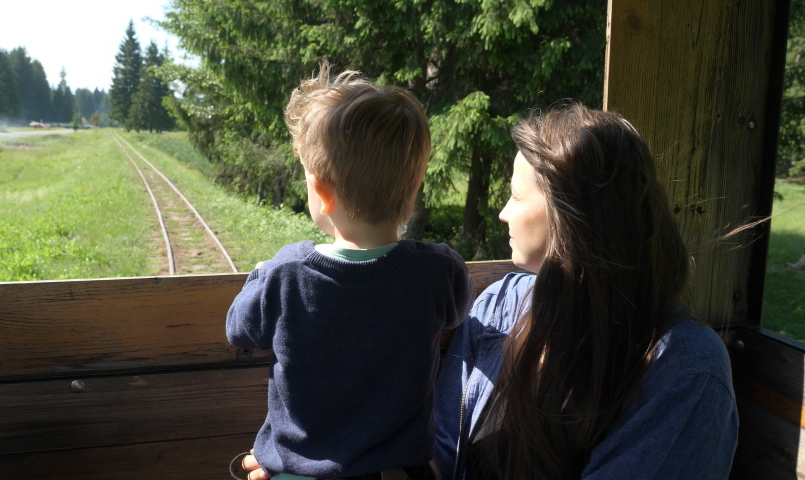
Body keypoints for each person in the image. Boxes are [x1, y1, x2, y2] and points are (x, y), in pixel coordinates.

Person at [433, 104, 738, 479]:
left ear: (567, 214)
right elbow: (444, 450)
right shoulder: (499, 306)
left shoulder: (685, 371)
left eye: (515, 195)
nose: (503, 213)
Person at [226, 62, 475, 480]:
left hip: (300, 471)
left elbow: (239, 329)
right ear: (412, 191)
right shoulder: (436, 271)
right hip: (400, 471)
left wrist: (258, 275)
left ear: (321, 192)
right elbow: (458, 310)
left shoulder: (286, 273)